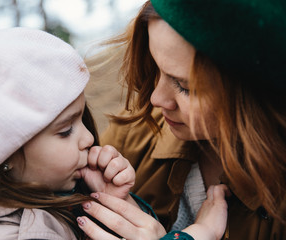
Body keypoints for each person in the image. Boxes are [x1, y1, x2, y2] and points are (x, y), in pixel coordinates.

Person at [78, 0, 286, 239]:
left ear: (257, 95)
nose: (156, 98)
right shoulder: (132, 135)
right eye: (155, 68)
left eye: (185, 87)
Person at [0, 27, 137, 240]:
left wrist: (111, 204)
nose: (89, 138)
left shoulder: (54, 197)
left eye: (81, 119)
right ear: (4, 156)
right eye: (65, 131)